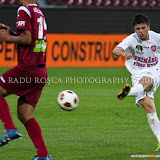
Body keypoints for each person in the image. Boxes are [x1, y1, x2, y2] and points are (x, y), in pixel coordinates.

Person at [0, 0, 52, 159]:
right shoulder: (38, 11)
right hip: (40, 70)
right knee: (25, 113)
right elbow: (30, 37)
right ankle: (43, 155)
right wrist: (13, 33)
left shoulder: (24, 9)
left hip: (28, 68)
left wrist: (8, 38)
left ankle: (10, 128)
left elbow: (27, 39)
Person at [112, 14, 160, 151]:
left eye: (143, 28)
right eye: (138, 28)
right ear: (134, 29)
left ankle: (129, 92)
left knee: (148, 81)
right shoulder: (131, 40)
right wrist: (123, 54)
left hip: (155, 71)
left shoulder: (156, 37)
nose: (141, 31)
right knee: (149, 108)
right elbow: (115, 50)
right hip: (137, 74)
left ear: (148, 27)